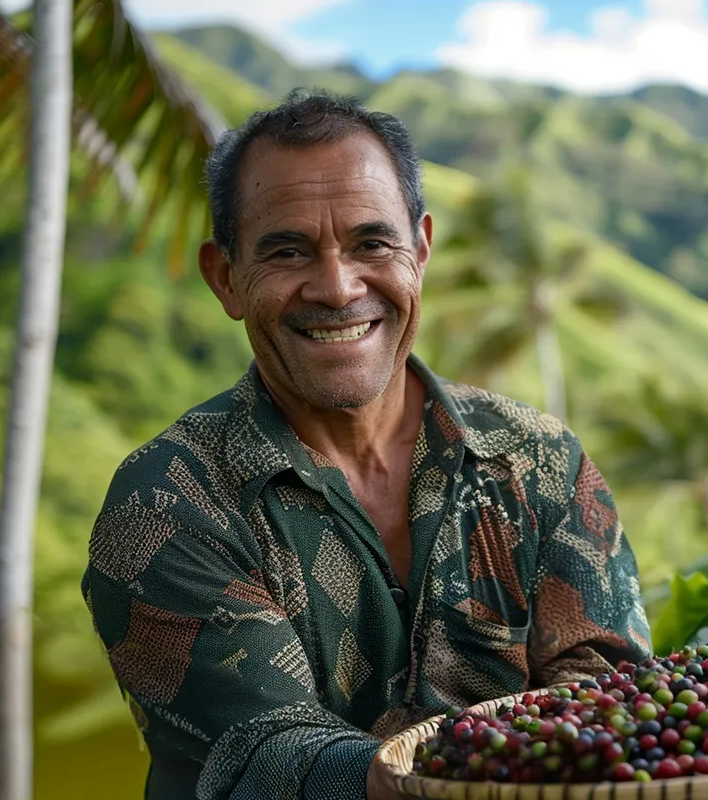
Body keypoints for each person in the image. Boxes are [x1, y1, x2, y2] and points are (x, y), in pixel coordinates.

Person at [81, 89, 652, 800]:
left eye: (371, 243)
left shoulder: (541, 463)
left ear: (420, 250)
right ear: (225, 278)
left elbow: (614, 693)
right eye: (287, 250)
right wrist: (501, 766)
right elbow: (272, 754)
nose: (337, 287)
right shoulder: (166, 504)